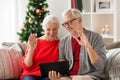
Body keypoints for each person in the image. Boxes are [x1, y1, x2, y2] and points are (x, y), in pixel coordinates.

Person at [49, 8, 106, 80]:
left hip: (90, 76)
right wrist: (58, 75)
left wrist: (88, 46)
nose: (67, 26)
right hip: (69, 77)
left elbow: (100, 66)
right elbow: (62, 64)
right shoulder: (63, 41)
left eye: (70, 22)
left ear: (79, 20)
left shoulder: (96, 38)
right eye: (65, 24)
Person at [21, 15, 60, 80]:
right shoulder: (35, 42)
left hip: (49, 76)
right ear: (44, 29)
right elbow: (27, 67)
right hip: (31, 74)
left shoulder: (60, 43)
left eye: (54, 29)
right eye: (48, 29)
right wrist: (31, 49)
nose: (51, 33)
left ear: (58, 28)